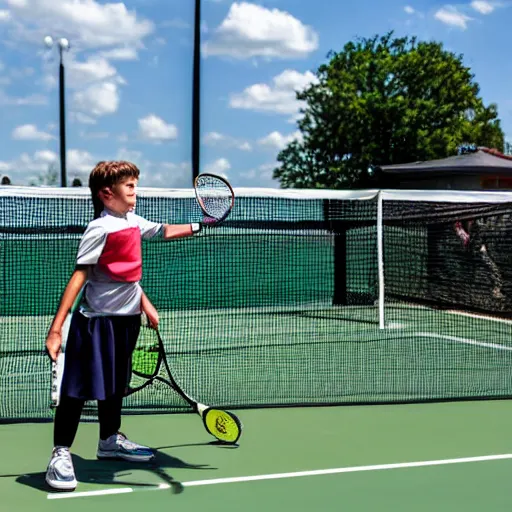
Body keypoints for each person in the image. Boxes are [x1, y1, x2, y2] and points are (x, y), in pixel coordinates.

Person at [45, 161, 204, 491]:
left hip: (126, 323)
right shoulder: (99, 230)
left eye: (135, 185)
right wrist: (56, 329)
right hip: (96, 324)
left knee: (116, 386)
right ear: (107, 193)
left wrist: (200, 225)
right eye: (130, 186)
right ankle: (60, 453)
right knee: (76, 390)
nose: (135, 191)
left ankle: (108, 442)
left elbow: (162, 233)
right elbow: (81, 275)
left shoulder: (132, 221)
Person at [454, 218, 504, 299]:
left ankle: (496, 290)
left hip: (480, 252)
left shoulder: (478, 226)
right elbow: (463, 239)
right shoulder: (458, 225)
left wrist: (482, 247)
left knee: (493, 269)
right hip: (467, 253)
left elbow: (482, 239)